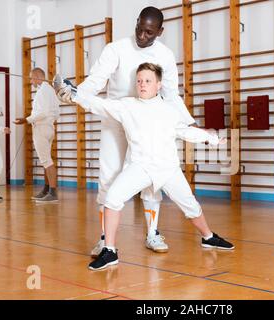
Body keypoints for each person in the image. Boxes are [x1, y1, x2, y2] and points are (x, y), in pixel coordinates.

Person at [56, 62, 234, 270]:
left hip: (168, 169)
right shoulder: (126, 105)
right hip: (139, 167)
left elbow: (185, 131)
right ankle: (110, 251)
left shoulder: (169, 109)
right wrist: (74, 93)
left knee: (191, 206)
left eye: (148, 81)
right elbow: (99, 104)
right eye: (139, 81)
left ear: (158, 85)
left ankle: (208, 237)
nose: (142, 84)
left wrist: (211, 139)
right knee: (112, 199)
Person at [56, 6, 195, 255]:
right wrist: (76, 95)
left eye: (149, 32)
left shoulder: (164, 55)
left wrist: (188, 122)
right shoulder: (116, 49)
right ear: (137, 23)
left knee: (153, 179)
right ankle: (104, 239)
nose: (143, 36)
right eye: (140, 29)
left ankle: (152, 233)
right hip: (116, 120)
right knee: (109, 178)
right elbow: (96, 81)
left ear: (160, 32)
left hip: (149, 125)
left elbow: (171, 95)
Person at [15, 67, 60, 203]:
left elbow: (43, 113)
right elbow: (55, 113)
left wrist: (26, 119)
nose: (30, 81)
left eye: (31, 78)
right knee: (46, 160)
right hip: (49, 127)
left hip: (41, 128)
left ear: (38, 77)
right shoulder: (50, 91)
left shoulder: (42, 92)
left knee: (47, 161)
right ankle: (47, 190)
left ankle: (53, 193)